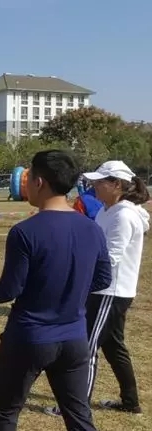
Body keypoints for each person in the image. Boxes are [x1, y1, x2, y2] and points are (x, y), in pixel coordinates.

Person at [0, 150, 111, 431]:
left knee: (6, 411)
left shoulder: (25, 232)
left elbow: (9, 290)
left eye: (28, 177)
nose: (25, 184)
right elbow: (103, 279)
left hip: (29, 338)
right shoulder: (92, 228)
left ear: (39, 182)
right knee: (79, 417)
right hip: (74, 340)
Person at [76, 160, 146, 415]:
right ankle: (130, 401)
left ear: (116, 184)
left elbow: (111, 258)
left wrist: (83, 277)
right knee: (114, 346)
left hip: (110, 291)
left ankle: (78, 405)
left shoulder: (124, 215)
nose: (93, 186)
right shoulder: (108, 211)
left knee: (87, 347)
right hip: (106, 290)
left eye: (99, 182)